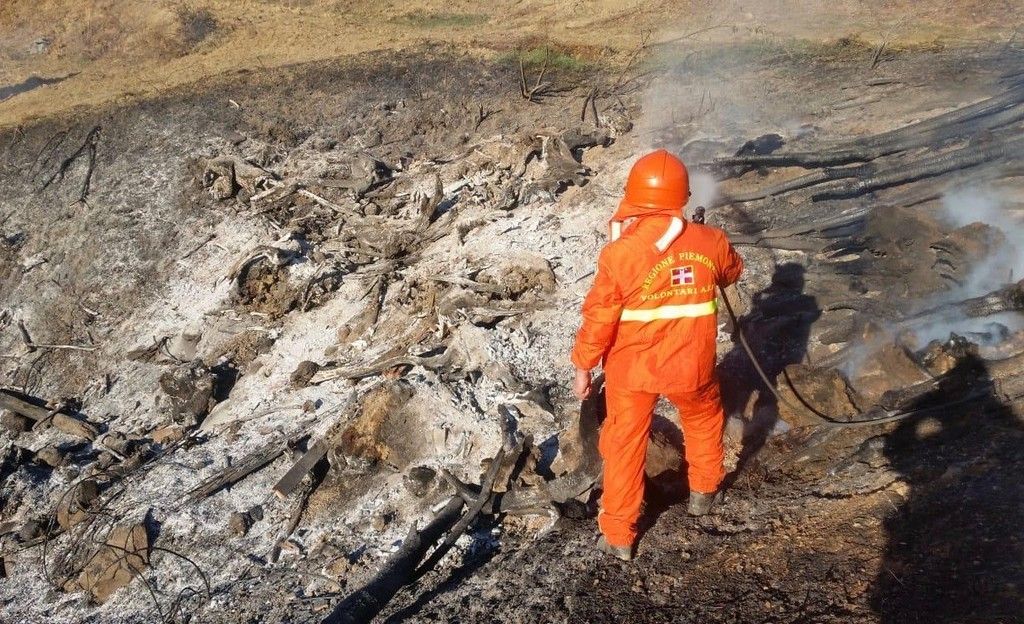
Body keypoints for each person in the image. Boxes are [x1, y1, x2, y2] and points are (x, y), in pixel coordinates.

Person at [570, 149, 743, 561]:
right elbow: (732, 271)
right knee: (703, 420)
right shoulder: (712, 240)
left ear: (634, 195)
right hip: (692, 364)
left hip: (633, 371)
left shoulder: (620, 253)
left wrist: (583, 365)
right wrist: (700, 247)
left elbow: (599, 316)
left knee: (624, 443)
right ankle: (704, 493)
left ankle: (619, 536)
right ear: (683, 195)